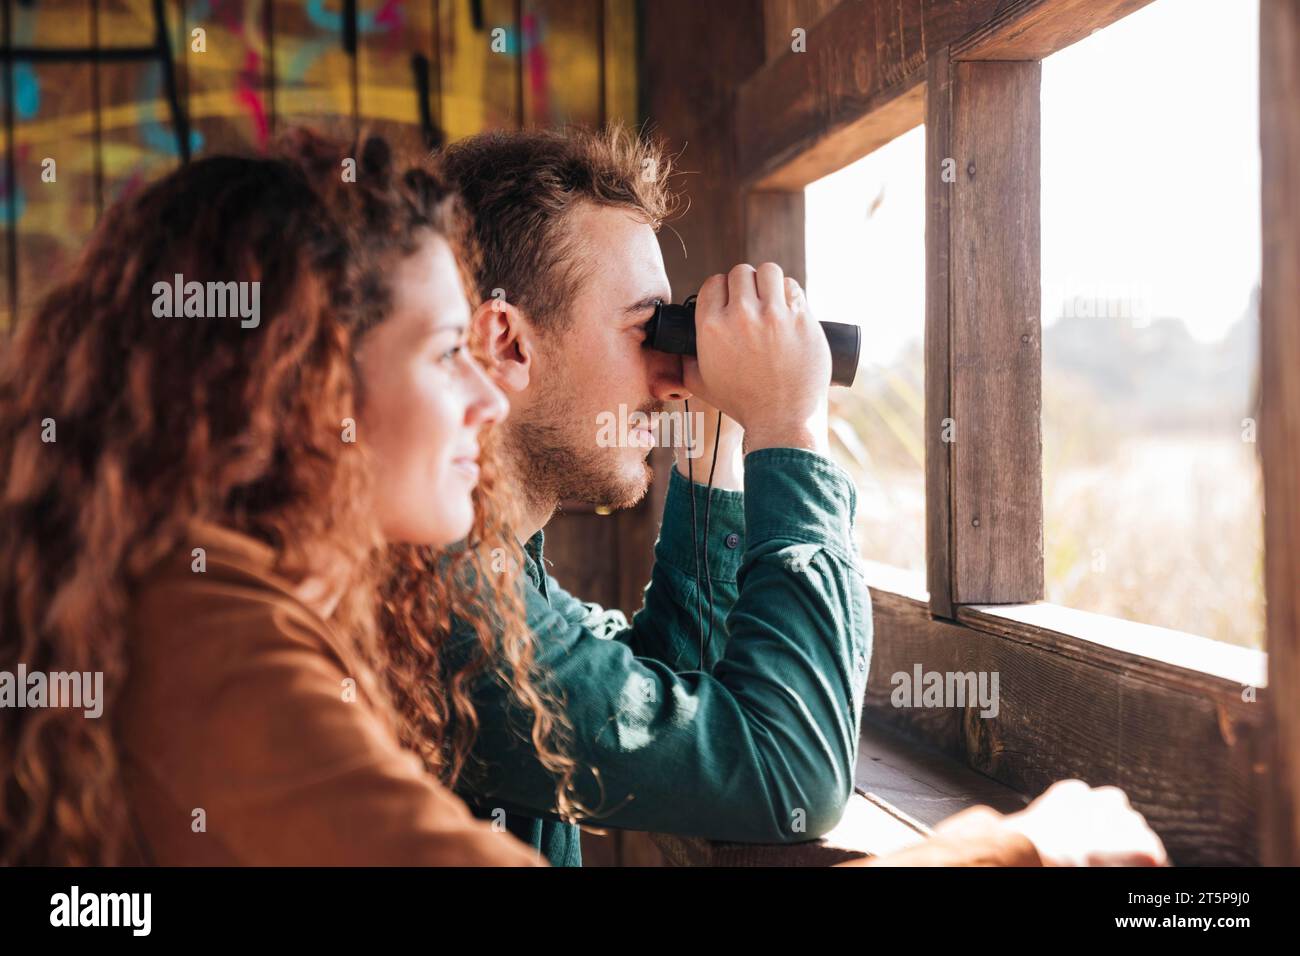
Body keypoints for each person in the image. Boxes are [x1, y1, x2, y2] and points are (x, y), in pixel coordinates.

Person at [431, 125, 1169, 869]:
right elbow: (788, 775)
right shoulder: (453, 603)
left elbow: (665, 691)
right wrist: (789, 425)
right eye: (645, 329)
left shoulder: (493, 564)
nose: (672, 373)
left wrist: (721, 432)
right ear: (509, 343)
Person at [0, 130, 552, 865]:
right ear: (301, 381)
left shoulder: (201, 589)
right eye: (450, 351)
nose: (492, 399)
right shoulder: (208, 628)